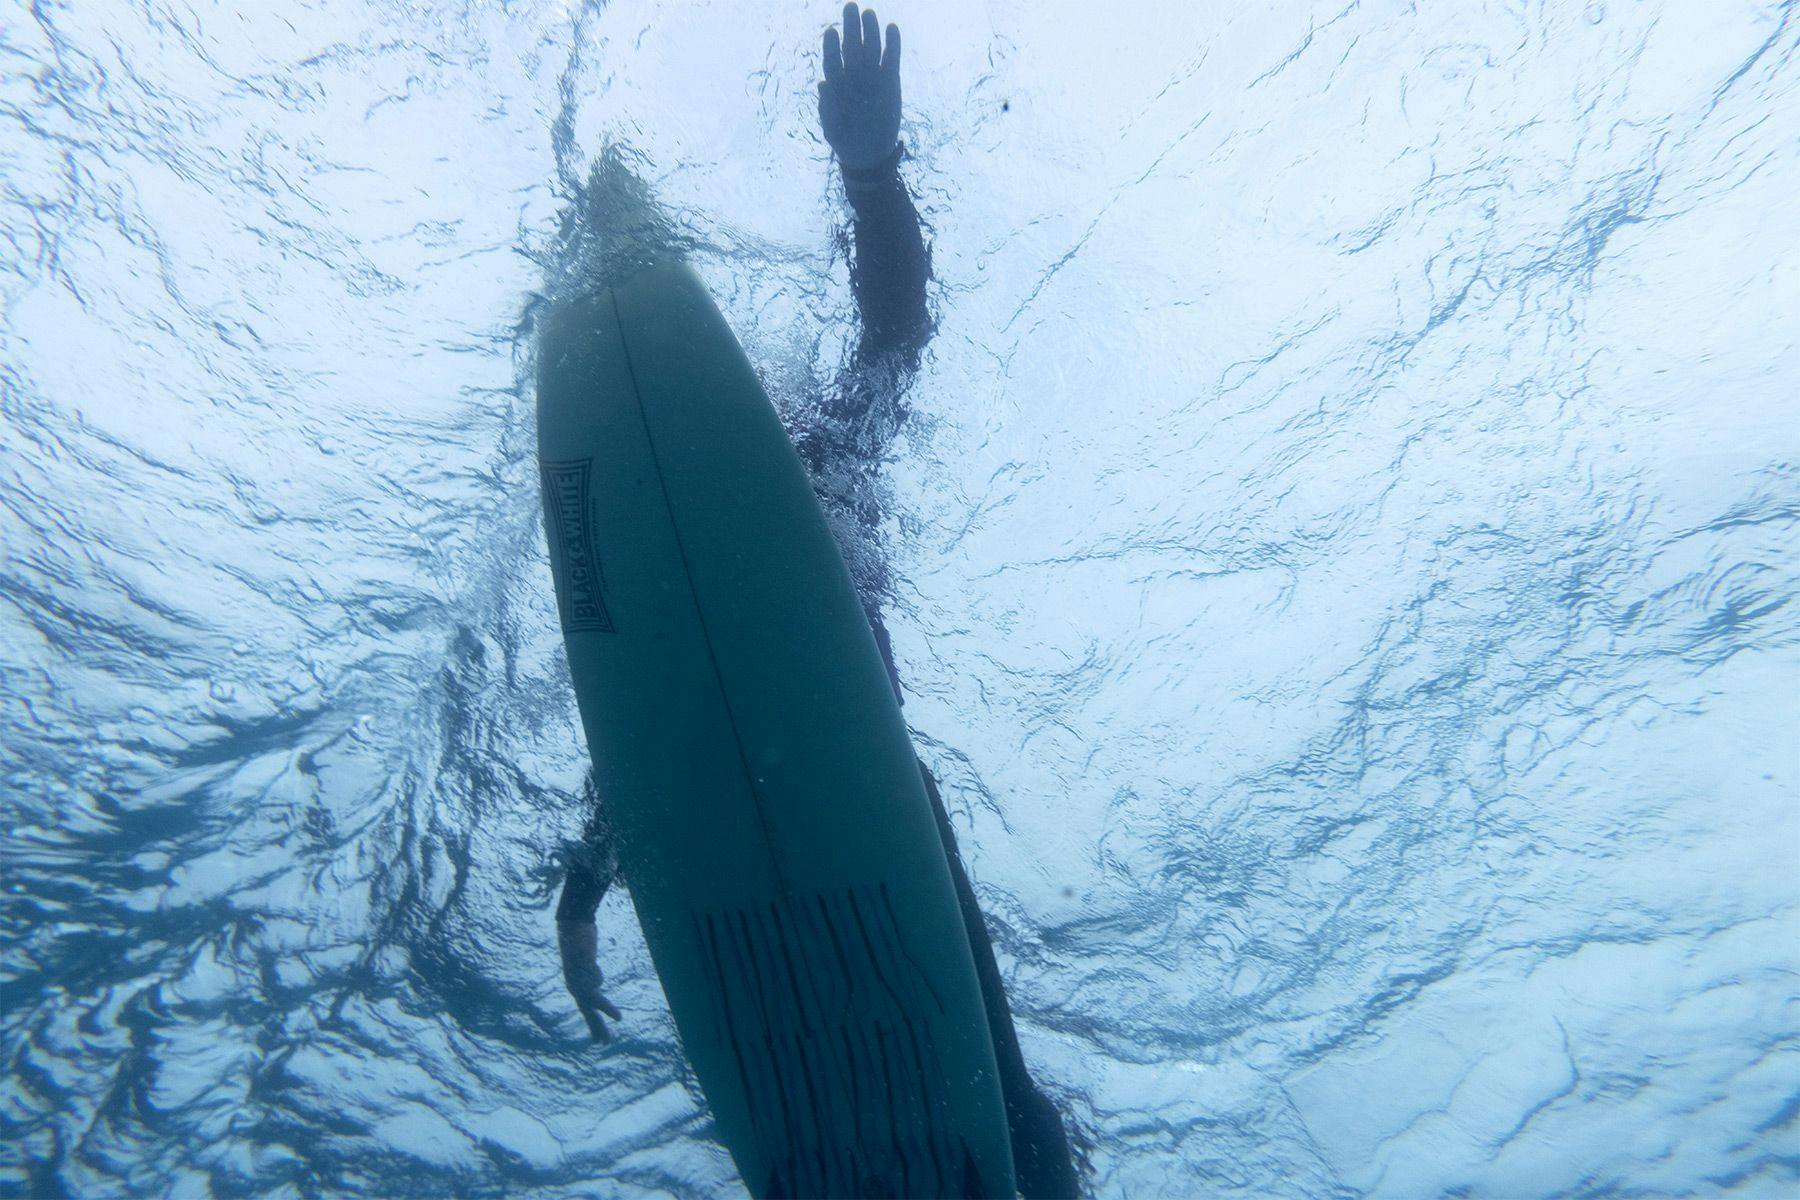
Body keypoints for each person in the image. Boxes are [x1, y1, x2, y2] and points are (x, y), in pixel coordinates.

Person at [553, 7, 1079, 1196]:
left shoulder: (826, 455)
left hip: (869, 778)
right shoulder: (738, 485)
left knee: (1026, 1136)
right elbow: (655, 692)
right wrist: (585, 884)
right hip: (809, 792)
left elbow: (893, 337)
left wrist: (871, 172)